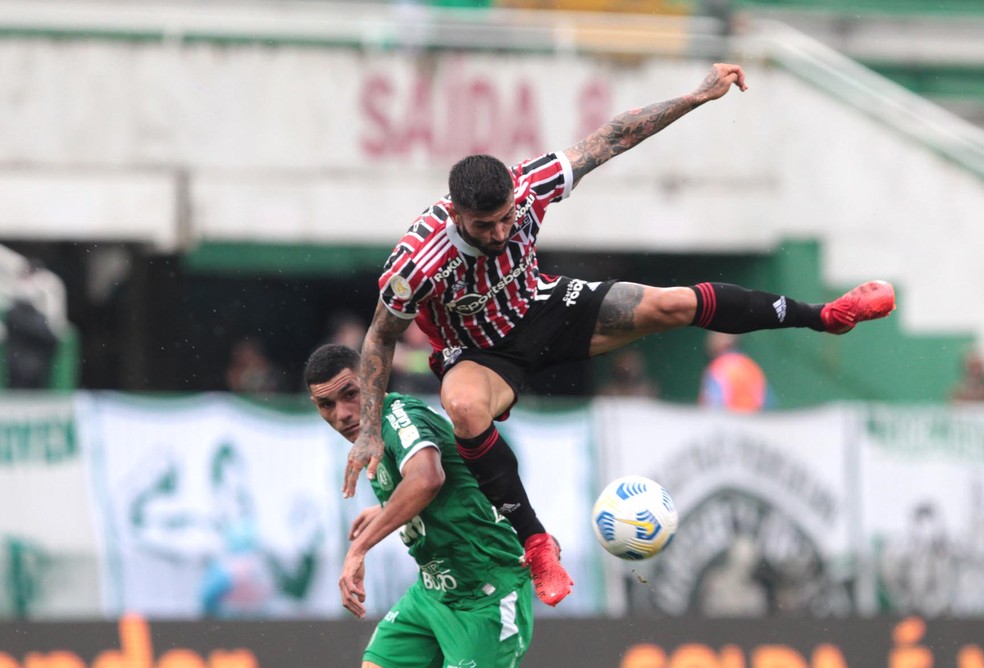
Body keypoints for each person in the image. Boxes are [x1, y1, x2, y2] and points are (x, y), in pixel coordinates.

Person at [343, 62, 897, 607]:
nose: (502, 231)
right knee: (463, 408)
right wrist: (369, 430)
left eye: (507, 218)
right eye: (485, 226)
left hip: (542, 306)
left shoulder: (530, 186)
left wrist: (697, 97)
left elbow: (612, 137)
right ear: (458, 215)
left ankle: (826, 315)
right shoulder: (416, 264)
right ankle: (537, 544)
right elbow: (378, 339)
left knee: (672, 303)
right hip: (479, 352)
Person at [306, 343, 533, 667]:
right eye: (326, 404)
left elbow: (427, 478)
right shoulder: (371, 437)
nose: (342, 414)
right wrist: (388, 509)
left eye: (350, 394)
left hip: (486, 595)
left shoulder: (399, 418)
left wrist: (359, 549)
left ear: (374, 381)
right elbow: (434, 486)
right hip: (432, 593)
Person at [698, 331, 770, 412]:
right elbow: (766, 401)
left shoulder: (717, 368)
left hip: (725, 421)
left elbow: (712, 403)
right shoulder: (751, 366)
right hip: (751, 421)